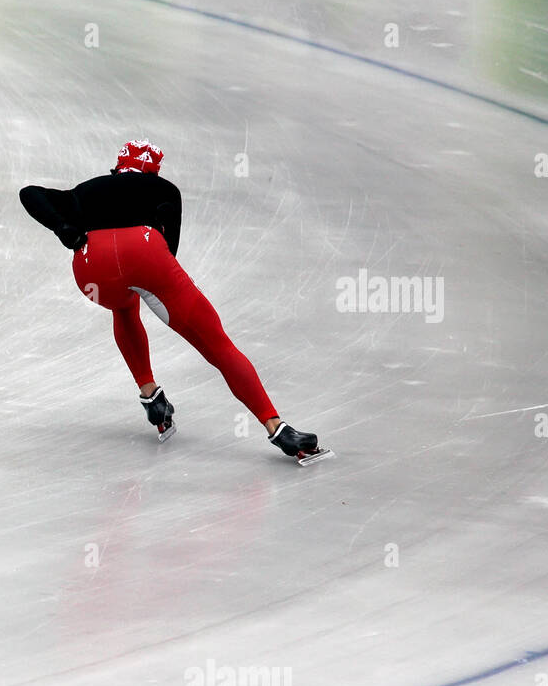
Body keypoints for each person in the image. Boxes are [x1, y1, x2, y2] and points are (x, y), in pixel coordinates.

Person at [19, 139, 331, 465]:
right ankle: (277, 427)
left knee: (124, 304)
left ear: (117, 167)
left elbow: (30, 193)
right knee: (217, 344)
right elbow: (170, 250)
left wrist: (64, 228)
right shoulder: (164, 190)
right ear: (154, 171)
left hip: (91, 268)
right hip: (145, 254)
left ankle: (150, 397)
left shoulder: (86, 190)